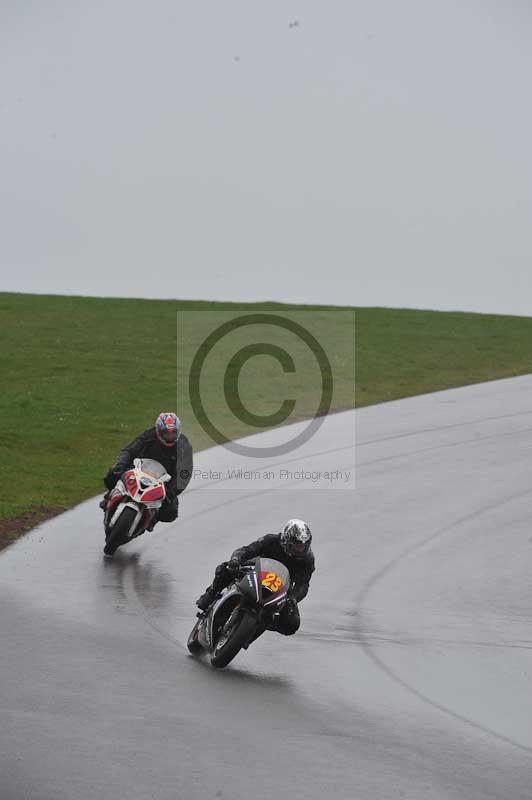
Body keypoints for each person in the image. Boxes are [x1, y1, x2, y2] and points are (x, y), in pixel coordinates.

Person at [196, 519, 314, 635]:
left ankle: (261, 623)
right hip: (255, 572)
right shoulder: (271, 541)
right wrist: (236, 560)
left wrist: (293, 597)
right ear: (286, 539)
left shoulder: (307, 560)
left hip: (279, 588)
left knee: (292, 624)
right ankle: (211, 594)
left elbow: (303, 584)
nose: (299, 549)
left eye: (303, 546)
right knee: (225, 569)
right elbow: (247, 550)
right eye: (296, 545)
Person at [102, 412, 193, 527]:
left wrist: (172, 490)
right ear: (159, 431)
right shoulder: (149, 434)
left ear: (178, 431)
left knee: (171, 512)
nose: (169, 436)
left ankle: (150, 521)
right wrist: (121, 464)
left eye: (173, 433)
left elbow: (185, 473)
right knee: (112, 474)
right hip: (139, 470)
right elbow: (130, 450)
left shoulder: (184, 446)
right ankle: (110, 497)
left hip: (163, 481)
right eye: (166, 433)